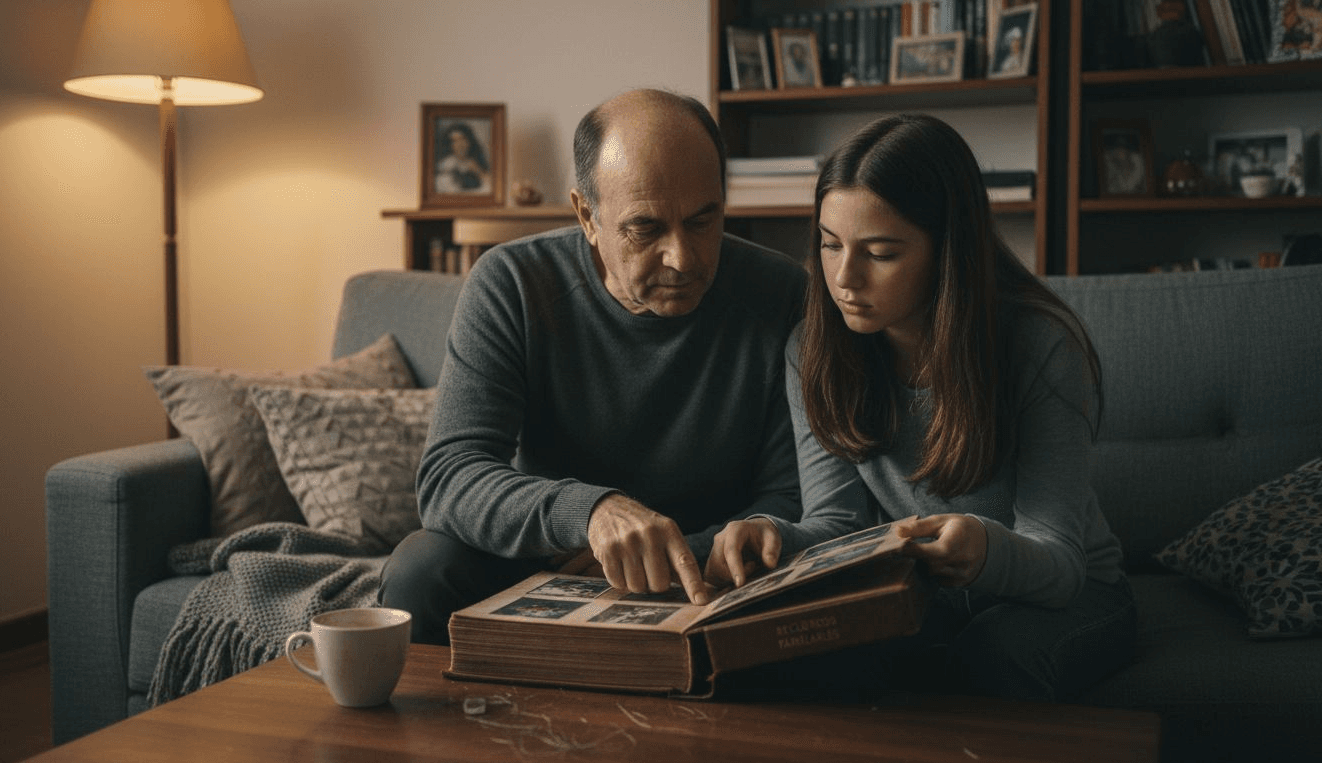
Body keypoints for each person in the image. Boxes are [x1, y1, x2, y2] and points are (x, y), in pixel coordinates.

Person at [705, 114, 1136, 702]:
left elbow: (1061, 564)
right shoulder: (812, 349)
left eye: (880, 253)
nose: (844, 278)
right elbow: (839, 527)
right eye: (830, 245)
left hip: (1074, 593)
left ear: (947, 251)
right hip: (923, 592)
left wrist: (983, 549)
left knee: (991, 657)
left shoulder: (1038, 345)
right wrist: (769, 533)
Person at [380, 89, 807, 644]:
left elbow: (790, 495)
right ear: (587, 215)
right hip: (552, 555)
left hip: (711, 570)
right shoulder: (511, 283)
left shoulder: (783, 293)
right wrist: (591, 513)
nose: (683, 257)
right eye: (646, 229)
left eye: (704, 221)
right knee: (422, 570)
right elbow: (450, 477)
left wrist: (679, 551)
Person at [435, 122, 491, 194]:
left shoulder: (476, 161)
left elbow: (491, 188)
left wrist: (478, 171)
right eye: (454, 141)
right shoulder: (445, 166)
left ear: (469, 141)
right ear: (450, 145)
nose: (460, 144)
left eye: (462, 139)